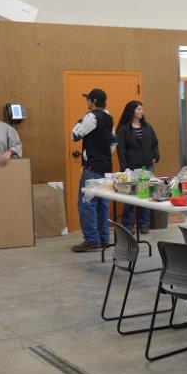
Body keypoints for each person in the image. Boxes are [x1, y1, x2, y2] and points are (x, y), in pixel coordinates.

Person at [71, 88, 116, 253]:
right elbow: (113, 141)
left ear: (94, 101)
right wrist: (103, 154)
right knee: (102, 203)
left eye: (88, 99)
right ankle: (103, 238)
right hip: (105, 167)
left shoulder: (92, 117)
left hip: (91, 168)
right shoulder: (109, 117)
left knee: (87, 202)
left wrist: (80, 120)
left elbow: (75, 135)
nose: (87, 102)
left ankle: (91, 239)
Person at [115, 100, 160, 234]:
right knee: (131, 198)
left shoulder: (147, 127)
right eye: (139, 109)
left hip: (146, 167)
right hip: (131, 168)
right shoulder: (124, 129)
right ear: (132, 111)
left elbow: (154, 143)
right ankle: (127, 224)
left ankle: (144, 224)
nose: (141, 112)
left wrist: (156, 155)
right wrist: (124, 169)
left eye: (142, 109)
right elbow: (121, 150)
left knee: (144, 196)